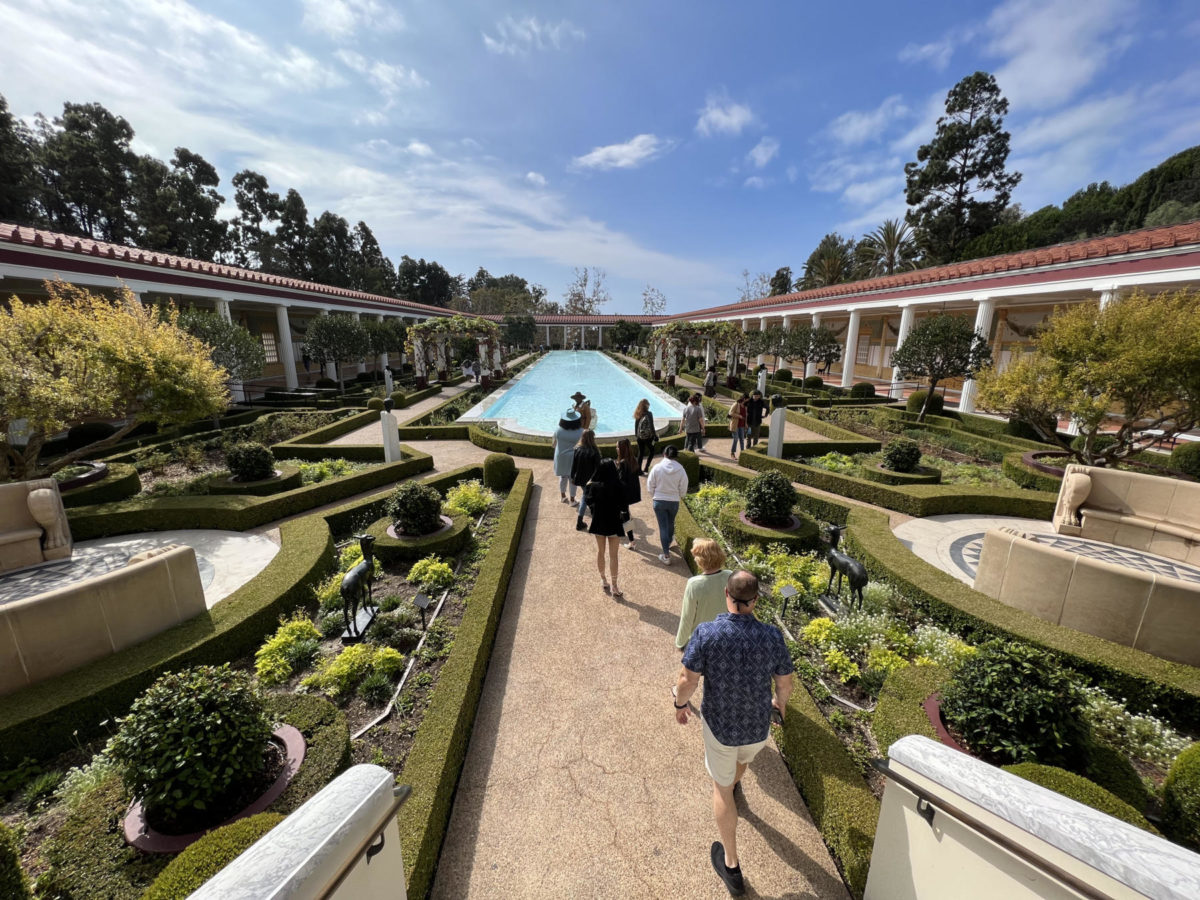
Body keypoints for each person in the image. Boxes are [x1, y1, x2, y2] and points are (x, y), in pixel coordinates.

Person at [674, 570, 795, 896]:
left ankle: (731, 865)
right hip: (757, 729)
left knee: (721, 787)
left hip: (721, 729)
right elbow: (784, 684)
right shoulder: (771, 636)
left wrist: (679, 704)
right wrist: (778, 707)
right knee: (740, 765)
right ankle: (734, 783)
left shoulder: (707, 633)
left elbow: (688, 681)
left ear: (727, 594)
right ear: (755, 601)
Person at [675, 539, 732, 650]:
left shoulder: (694, 584)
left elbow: (687, 616)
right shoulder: (729, 576)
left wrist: (680, 642)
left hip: (701, 638)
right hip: (723, 636)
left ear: (701, 560)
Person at [584, 459, 629, 597]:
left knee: (600, 552)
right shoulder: (620, 485)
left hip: (599, 522)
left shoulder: (594, 487)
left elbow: (588, 500)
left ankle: (603, 579)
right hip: (614, 522)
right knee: (613, 555)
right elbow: (624, 507)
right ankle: (614, 585)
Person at [646, 445, 689, 564]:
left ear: (664, 454)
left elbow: (650, 485)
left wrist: (654, 495)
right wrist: (679, 495)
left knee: (663, 527)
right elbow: (683, 487)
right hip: (673, 501)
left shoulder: (657, 467)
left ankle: (666, 555)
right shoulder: (680, 469)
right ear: (676, 456)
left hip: (659, 500)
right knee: (670, 523)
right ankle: (668, 541)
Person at [570, 429, 601, 530]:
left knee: (587, 496)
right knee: (586, 498)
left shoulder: (577, 449)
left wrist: (572, 477)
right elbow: (598, 468)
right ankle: (580, 521)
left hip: (581, 479)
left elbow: (573, 466)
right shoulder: (594, 452)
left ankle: (583, 519)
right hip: (591, 480)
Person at [553, 409, 583, 504]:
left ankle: (563, 497)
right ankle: (572, 500)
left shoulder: (558, 430)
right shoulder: (580, 431)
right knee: (572, 479)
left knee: (563, 477)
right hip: (573, 457)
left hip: (560, 456)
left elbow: (554, 444)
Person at [615, 438, 641, 548]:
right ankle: (621, 531)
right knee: (624, 514)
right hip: (631, 493)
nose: (616, 448)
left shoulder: (623, 463)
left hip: (623, 495)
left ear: (621, 449)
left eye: (617, 447)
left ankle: (632, 541)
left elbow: (619, 481)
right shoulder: (633, 460)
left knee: (625, 516)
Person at [633, 398, 657, 474]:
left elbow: (636, 426)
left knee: (641, 453)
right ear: (646, 405)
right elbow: (651, 426)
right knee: (652, 451)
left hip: (639, 437)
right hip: (647, 437)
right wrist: (655, 436)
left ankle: (638, 470)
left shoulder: (638, 413)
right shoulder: (649, 414)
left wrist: (637, 436)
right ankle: (646, 468)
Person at [729, 394, 748, 459]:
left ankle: (742, 454)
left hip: (742, 425)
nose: (748, 401)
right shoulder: (736, 404)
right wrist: (739, 416)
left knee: (742, 440)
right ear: (744, 399)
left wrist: (746, 424)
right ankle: (732, 453)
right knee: (736, 439)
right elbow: (730, 413)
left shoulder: (745, 407)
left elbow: (745, 416)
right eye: (747, 399)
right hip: (735, 425)